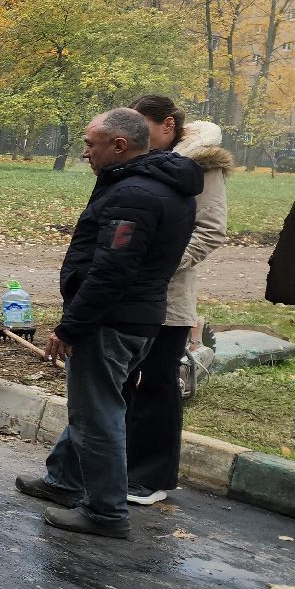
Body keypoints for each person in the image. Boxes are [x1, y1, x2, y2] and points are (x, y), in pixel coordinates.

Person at [15, 108, 200, 539]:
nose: (85, 151)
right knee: (98, 403)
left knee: (97, 415)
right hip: (141, 317)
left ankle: (106, 512)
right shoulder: (165, 187)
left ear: (119, 145)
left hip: (111, 321)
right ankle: (64, 481)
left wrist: (71, 326)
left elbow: (111, 271)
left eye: (90, 144)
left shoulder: (134, 195)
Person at [125, 95, 231, 505]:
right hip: (127, 292)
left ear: (167, 125)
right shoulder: (142, 159)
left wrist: (156, 265)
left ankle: (151, 478)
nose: (134, 136)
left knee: (156, 382)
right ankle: (116, 466)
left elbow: (210, 231)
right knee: (119, 381)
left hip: (167, 298)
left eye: (143, 127)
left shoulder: (203, 165)